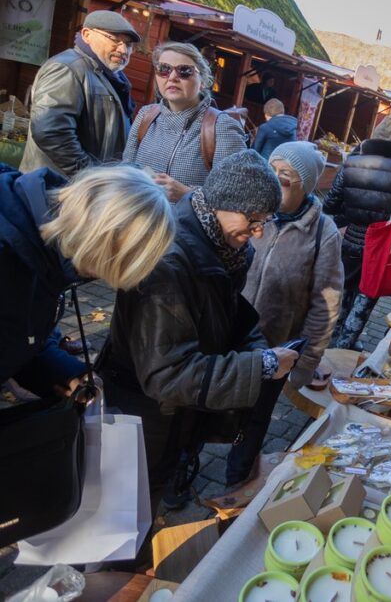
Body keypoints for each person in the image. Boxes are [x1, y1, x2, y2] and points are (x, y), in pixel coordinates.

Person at [100, 150, 298, 508]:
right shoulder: (169, 263)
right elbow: (168, 373)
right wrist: (263, 366)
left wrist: (258, 350)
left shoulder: (223, 248)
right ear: (221, 202)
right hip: (142, 417)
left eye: (265, 221)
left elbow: (229, 318)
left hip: (172, 417)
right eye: (253, 219)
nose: (257, 233)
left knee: (148, 498)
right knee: (124, 513)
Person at [0, 164, 174, 399]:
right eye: (110, 267)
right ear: (98, 242)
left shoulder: (48, 248)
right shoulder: (13, 256)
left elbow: (21, 332)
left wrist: (66, 373)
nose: (106, 280)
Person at [227, 142, 343, 486]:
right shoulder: (248, 211)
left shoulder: (324, 233)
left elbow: (326, 304)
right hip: (227, 337)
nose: (274, 181)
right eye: (270, 171)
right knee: (204, 407)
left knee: (254, 421)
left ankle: (236, 482)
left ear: (305, 186)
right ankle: (183, 473)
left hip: (275, 349)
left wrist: (305, 362)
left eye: (285, 177)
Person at [323, 114, 391, 349]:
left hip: (349, 241)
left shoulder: (352, 160)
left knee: (344, 294)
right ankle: (343, 349)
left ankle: (329, 344)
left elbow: (329, 204)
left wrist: (352, 212)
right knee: (365, 301)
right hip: (381, 247)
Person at [122, 41, 247, 202]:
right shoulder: (146, 115)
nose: (172, 77)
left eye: (184, 71)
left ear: (202, 81)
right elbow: (126, 169)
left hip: (184, 225)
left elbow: (235, 194)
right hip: (138, 219)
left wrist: (188, 193)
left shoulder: (222, 127)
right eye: (164, 69)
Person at [20, 10, 141, 177]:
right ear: (86, 34)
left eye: (128, 44)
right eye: (115, 40)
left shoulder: (110, 77)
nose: (123, 49)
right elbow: (50, 131)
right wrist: (89, 176)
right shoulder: (67, 68)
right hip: (56, 191)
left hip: (83, 191)